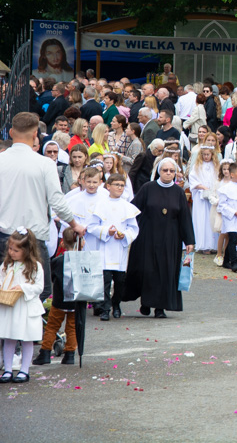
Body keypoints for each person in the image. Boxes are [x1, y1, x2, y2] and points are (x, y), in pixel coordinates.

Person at [0, 113, 85, 301]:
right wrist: (74, 224)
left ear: (12, 132)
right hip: (33, 236)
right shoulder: (45, 164)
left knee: (5, 287)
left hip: (5, 233)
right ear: (34, 135)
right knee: (41, 289)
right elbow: (57, 200)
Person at [123, 158, 195, 318]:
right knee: (147, 270)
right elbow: (133, 209)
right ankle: (146, 302)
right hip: (148, 237)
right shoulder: (148, 188)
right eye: (165, 170)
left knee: (165, 271)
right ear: (159, 171)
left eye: (171, 171)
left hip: (170, 239)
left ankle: (160, 308)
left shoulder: (179, 192)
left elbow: (185, 217)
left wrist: (189, 240)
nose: (168, 173)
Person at [87, 173, 141, 321]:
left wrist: (124, 235)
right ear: (108, 186)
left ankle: (116, 304)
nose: (120, 188)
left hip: (119, 249)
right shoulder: (101, 205)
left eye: (122, 185)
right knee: (105, 281)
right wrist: (105, 231)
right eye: (117, 185)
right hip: (105, 248)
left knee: (119, 281)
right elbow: (92, 226)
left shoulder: (127, 207)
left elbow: (134, 229)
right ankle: (105, 308)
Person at [0, 228, 45, 384]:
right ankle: (7, 369)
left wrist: (23, 288)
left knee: (27, 338)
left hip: (25, 306)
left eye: (16, 250)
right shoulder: (7, 265)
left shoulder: (35, 267)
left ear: (27, 250)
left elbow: (39, 287)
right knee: (9, 337)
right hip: (10, 306)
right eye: (10, 249)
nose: (12, 252)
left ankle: (24, 370)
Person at [33, 227, 79, 366]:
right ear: (81, 243)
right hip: (76, 301)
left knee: (52, 326)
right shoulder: (81, 262)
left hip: (59, 300)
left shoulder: (57, 261)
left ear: (62, 244)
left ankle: (45, 352)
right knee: (72, 327)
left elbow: (53, 278)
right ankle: (70, 354)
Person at [189, 145, 220, 254]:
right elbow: (193, 180)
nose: (206, 157)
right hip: (201, 197)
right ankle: (203, 244)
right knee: (202, 219)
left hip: (212, 195)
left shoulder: (215, 166)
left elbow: (218, 179)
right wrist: (202, 187)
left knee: (212, 219)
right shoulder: (197, 166)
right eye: (204, 155)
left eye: (208, 154)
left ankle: (213, 244)